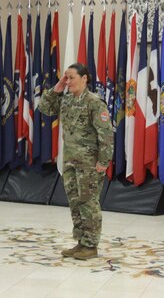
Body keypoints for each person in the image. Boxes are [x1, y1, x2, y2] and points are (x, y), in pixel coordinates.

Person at [39, 62, 113, 260]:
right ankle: (80, 241)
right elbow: (44, 108)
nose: (68, 81)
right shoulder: (67, 100)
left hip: (89, 162)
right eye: (66, 77)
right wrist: (57, 88)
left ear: (84, 78)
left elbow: (105, 134)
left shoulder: (94, 102)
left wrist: (104, 161)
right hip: (70, 159)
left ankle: (91, 245)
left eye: (71, 78)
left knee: (89, 202)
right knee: (75, 201)